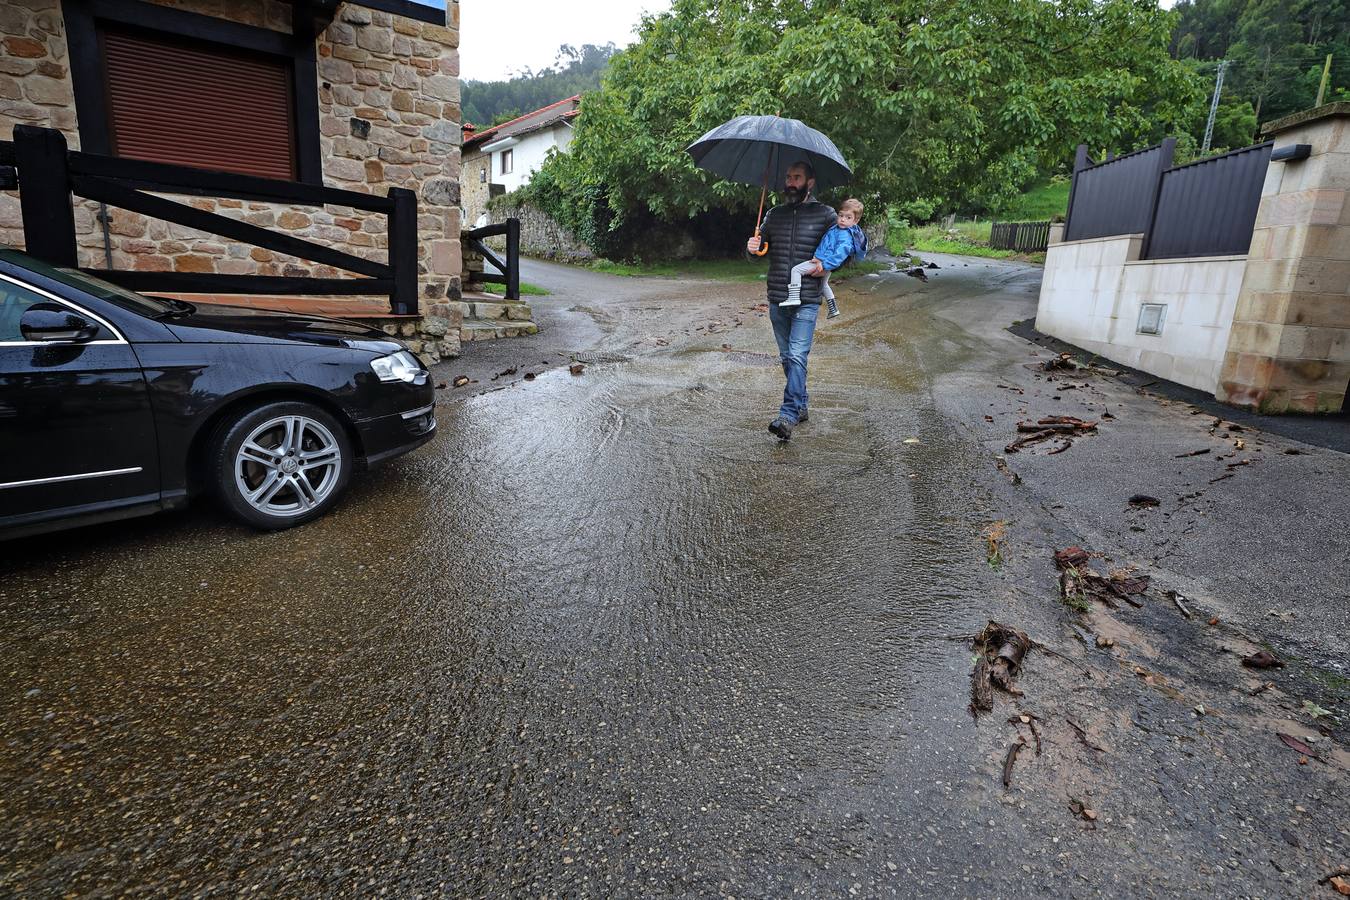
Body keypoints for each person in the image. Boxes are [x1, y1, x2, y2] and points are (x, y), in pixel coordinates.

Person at [745, 161, 836, 442]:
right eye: (788, 177)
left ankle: (787, 415)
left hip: (808, 297)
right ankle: (801, 403)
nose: (790, 182)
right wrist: (751, 249)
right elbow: (757, 253)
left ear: (810, 182)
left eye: (797, 177)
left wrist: (827, 266)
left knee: (797, 355)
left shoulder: (826, 215)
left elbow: (843, 250)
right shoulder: (774, 214)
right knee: (787, 357)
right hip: (777, 297)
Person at [781, 198, 867, 319]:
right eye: (841, 215)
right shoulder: (837, 229)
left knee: (796, 270)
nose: (842, 219)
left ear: (856, 221)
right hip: (822, 261)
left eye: (848, 217)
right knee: (824, 284)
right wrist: (818, 257)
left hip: (823, 263)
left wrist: (824, 264)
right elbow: (825, 244)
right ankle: (833, 309)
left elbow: (839, 255)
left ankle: (794, 298)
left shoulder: (845, 236)